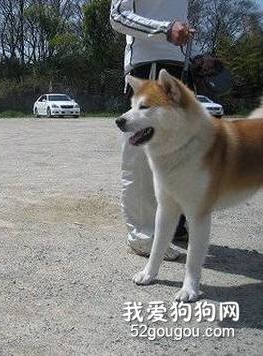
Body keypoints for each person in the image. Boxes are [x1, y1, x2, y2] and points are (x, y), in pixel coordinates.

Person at [110, 0, 194, 260]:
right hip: (148, 65)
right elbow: (118, 15)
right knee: (141, 157)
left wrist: (194, 56)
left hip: (178, 66)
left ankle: (170, 226)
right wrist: (165, 30)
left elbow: (179, 22)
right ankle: (143, 236)